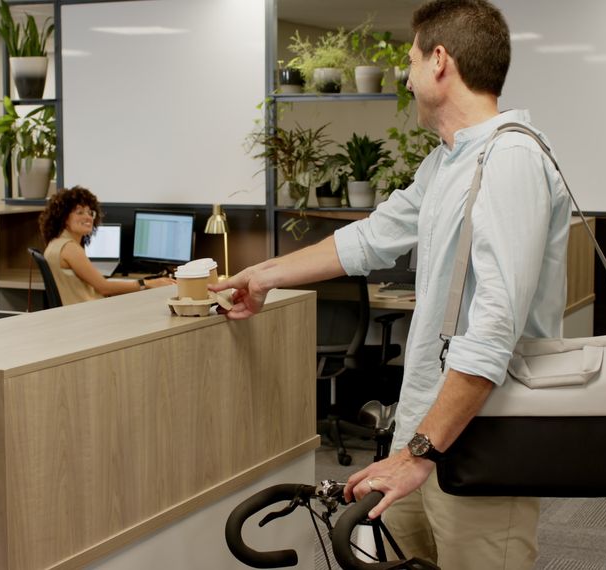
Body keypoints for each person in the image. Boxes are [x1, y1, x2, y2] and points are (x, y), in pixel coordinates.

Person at [211, 1, 572, 568]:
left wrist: (420, 453)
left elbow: (492, 333)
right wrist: (263, 277)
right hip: (422, 433)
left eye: (410, 61)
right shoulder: (448, 162)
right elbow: (372, 237)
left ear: (439, 60)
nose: (405, 76)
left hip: (480, 439)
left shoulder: (511, 159)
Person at [38, 186, 174, 304]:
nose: (88, 217)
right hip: (87, 314)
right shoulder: (69, 248)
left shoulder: (55, 243)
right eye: (80, 212)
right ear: (63, 217)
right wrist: (147, 284)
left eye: (90, 212)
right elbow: (104, 287)